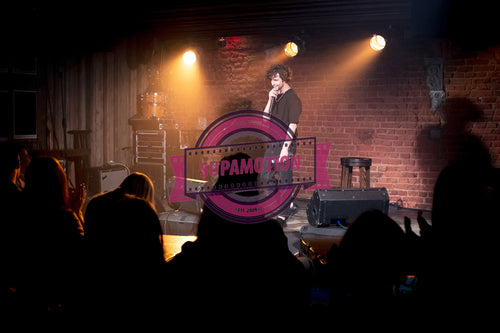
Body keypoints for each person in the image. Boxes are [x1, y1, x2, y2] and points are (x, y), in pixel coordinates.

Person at [17, 157, 85, 315]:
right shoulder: (64, 219)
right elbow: (83, 256)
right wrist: (77, 212)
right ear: (58, 184)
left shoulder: (20, 214)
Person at [262, 64, 302, 225]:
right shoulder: (275, 97)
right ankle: (288, 204)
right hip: (273, 144)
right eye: (272, 80)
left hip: (285, 144)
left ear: (284, 78)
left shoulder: (293, 98)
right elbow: (264, 119)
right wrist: (269, 98)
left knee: (285, 178)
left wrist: (285, 150)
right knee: (266, 177)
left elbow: (293, 125)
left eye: (276, 80)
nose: (273, 83)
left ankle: (284, 213)